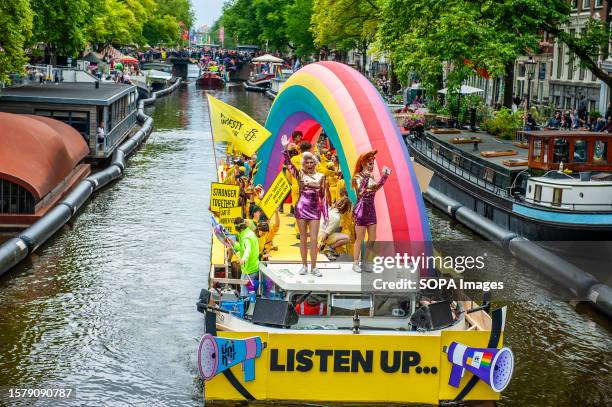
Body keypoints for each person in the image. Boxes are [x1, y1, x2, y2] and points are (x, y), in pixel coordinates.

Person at [281, 134, 328, 277]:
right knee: (302, 237)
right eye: (306, 162)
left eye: (311, 162)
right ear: (303, 164)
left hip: (315, 209)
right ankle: (304, 265)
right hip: (301, 208)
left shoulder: (321, 177)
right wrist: (285, 149)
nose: (309, 165)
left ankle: (314, 267)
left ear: (315, 163)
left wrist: (326, 215)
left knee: (314, 239)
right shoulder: (299, 174)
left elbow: (324, 197)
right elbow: (289, 166)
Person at [351, 151, 391, 273]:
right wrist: (367, 176)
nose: (371, 166)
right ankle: (355, 263)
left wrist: (384, 177)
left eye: (372, 164)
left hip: (371, 208)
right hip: (361, 208)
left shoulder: (371, 176)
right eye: (369, 164)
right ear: (363, 163)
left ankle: (366, 261)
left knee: (373, 237)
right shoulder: (357, 177)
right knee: (360, 238)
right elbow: (361, 191)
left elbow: (375, 189)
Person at [232, 217, 260, 296]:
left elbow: (247, 249)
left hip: (248, 269)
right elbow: (242, 248)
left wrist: (244, 258)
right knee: (251, 290)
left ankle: (245, 306)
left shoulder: (245, 238)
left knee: (244, 293)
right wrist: (233, 244)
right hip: (254, 266)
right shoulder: (249, 233)